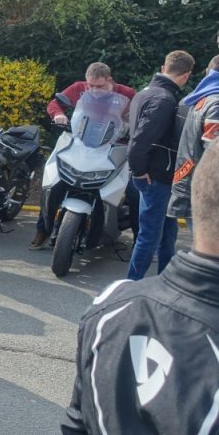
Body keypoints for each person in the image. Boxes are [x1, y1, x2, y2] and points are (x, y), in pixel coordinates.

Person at [61, 142, 219, 434]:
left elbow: (76, 422)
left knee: (148, 233)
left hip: (146, 178)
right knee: (150, 235)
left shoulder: (108, 306)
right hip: (153, 178)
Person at [31, 62, 138, 248]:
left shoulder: (127, 94)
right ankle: (43, 230)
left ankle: (140, 241)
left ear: (109, 80)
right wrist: (58, 115)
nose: (94, 90)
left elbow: (142, 115)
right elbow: (55, 103)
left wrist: (132, 128)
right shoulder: (78, 88)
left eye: (100, 86)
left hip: (114, 146)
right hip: (81, 143)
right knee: (54, 183)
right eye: (91, 85)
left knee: (134, 192)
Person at [126, 50, 195, 281]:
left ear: (164, 67)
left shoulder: (145, 93)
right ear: (186, 75)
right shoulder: (164, 99)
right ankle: (130, 287)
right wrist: (139, 171)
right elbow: (140, 141)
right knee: (150, 237)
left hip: (158, 177)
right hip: (155, 178)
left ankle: (164, 285)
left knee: (168, 235)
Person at [168, 54, 219, 230]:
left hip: (192, 185)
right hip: (208, 194)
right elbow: (214, 154)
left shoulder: (199, 98)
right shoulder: (216, 104)